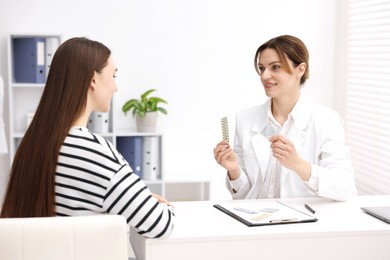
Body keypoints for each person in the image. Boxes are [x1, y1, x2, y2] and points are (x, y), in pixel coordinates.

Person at [1, 37, 175, 238]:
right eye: (114, 75)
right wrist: (159, 205)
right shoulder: (95, 152)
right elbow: (161, 224)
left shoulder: (33, 144)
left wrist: (132, 200)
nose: (116, 87)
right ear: (93, 79)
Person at [213, 35, 357, 202]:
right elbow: (245, 196)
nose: (265, 75)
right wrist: (234, 170)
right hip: (254, 220)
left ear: (300, 70)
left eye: (275, 67)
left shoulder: (326, 120)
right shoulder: (245, 119)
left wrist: (298, 165)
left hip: (302, 221)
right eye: (261, 68)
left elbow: (344, 186)